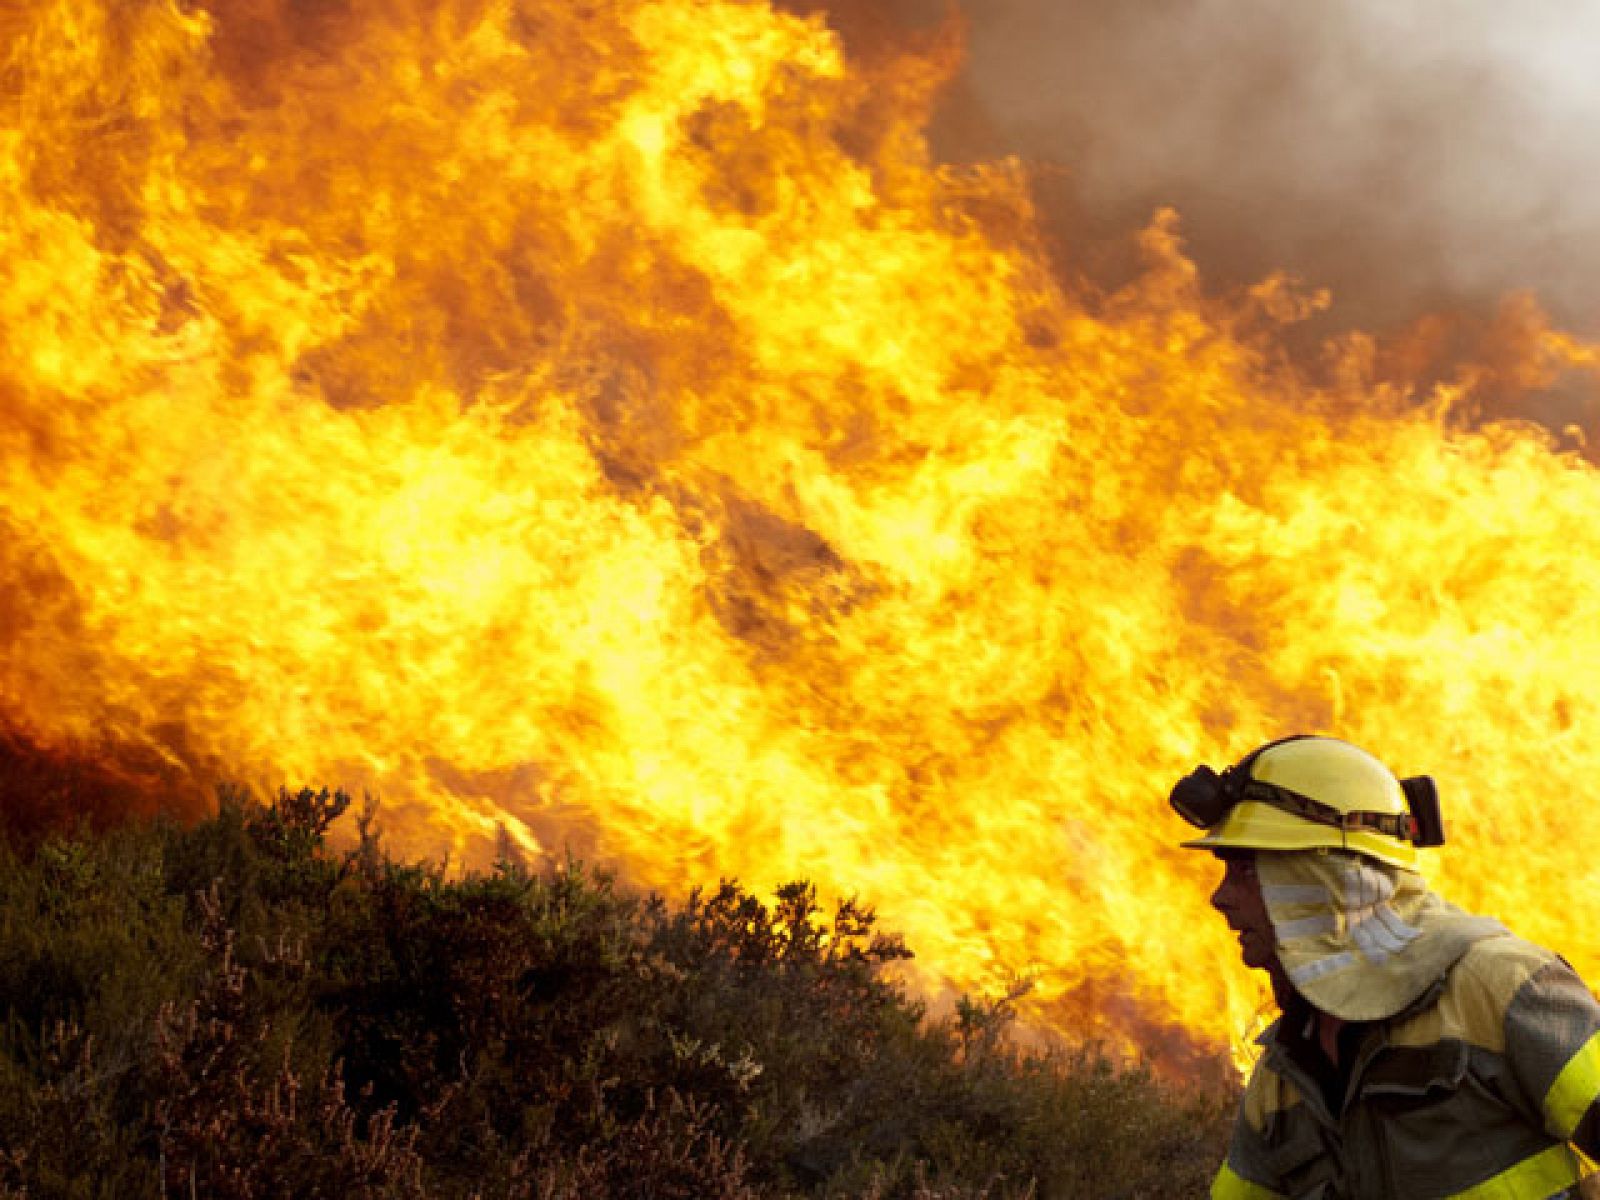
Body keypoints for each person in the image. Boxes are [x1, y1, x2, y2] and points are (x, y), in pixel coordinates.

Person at [1169, 734, 1600, 1199]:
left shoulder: (1497, 987)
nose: (1220, 898)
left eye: (1247, 870)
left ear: (1325, 875)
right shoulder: (1285, 1071)